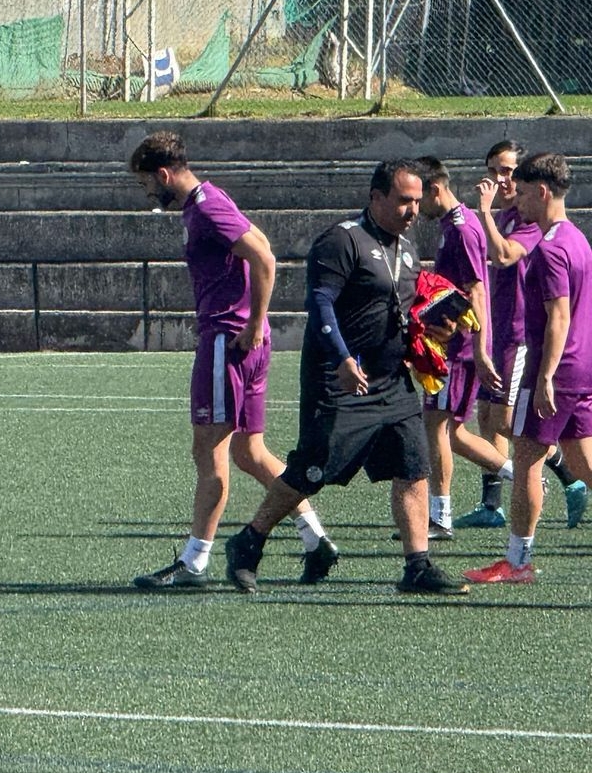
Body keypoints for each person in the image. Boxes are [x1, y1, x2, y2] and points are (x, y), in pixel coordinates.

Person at [223, 159, 469, 595]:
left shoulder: (405, 249)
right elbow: (320, 304)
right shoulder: (341, 240)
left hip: (390, 381)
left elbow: (404, 309)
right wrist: (340, 356)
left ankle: (417, 565)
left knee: (413, 467)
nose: (412, 211)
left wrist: (435, 328)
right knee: (313, 470)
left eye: (417, 202)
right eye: (403, 201)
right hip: (338, 378)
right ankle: (249, 541)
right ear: (376, 198)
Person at [128, 131, 339, 590]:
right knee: (250, 452)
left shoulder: (205, 207)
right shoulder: (210, 199)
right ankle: (314, 538)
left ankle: (194, 562)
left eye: (147, 183)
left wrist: (254, 322)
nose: (147, 193)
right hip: (241, 341)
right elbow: (258, 238)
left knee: (210, 452)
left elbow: (263, 255)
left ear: (163, 175)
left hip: (228, 340)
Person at [465, 153, 592, 584]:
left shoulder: (553, 247)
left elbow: (558, 317)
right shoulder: (577, 238)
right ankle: (517, 559)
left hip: (557, 370)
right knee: (581, 460)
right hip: (582, 367)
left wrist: (544, 378)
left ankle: (517, 562)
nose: (515, 201)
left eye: (521, 193)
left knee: (526, 461)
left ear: (541, 192)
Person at [415, 156, 514, 539]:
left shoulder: (461, 229)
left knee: (435, 427)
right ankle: (519, 476)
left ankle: (440, 516)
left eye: (417, 197)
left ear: (435, 189)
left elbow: (476, 288)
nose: (414, 206)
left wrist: (480, 346)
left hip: (456, 350)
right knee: (452, 433)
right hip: (452, 345)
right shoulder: (449, 226)